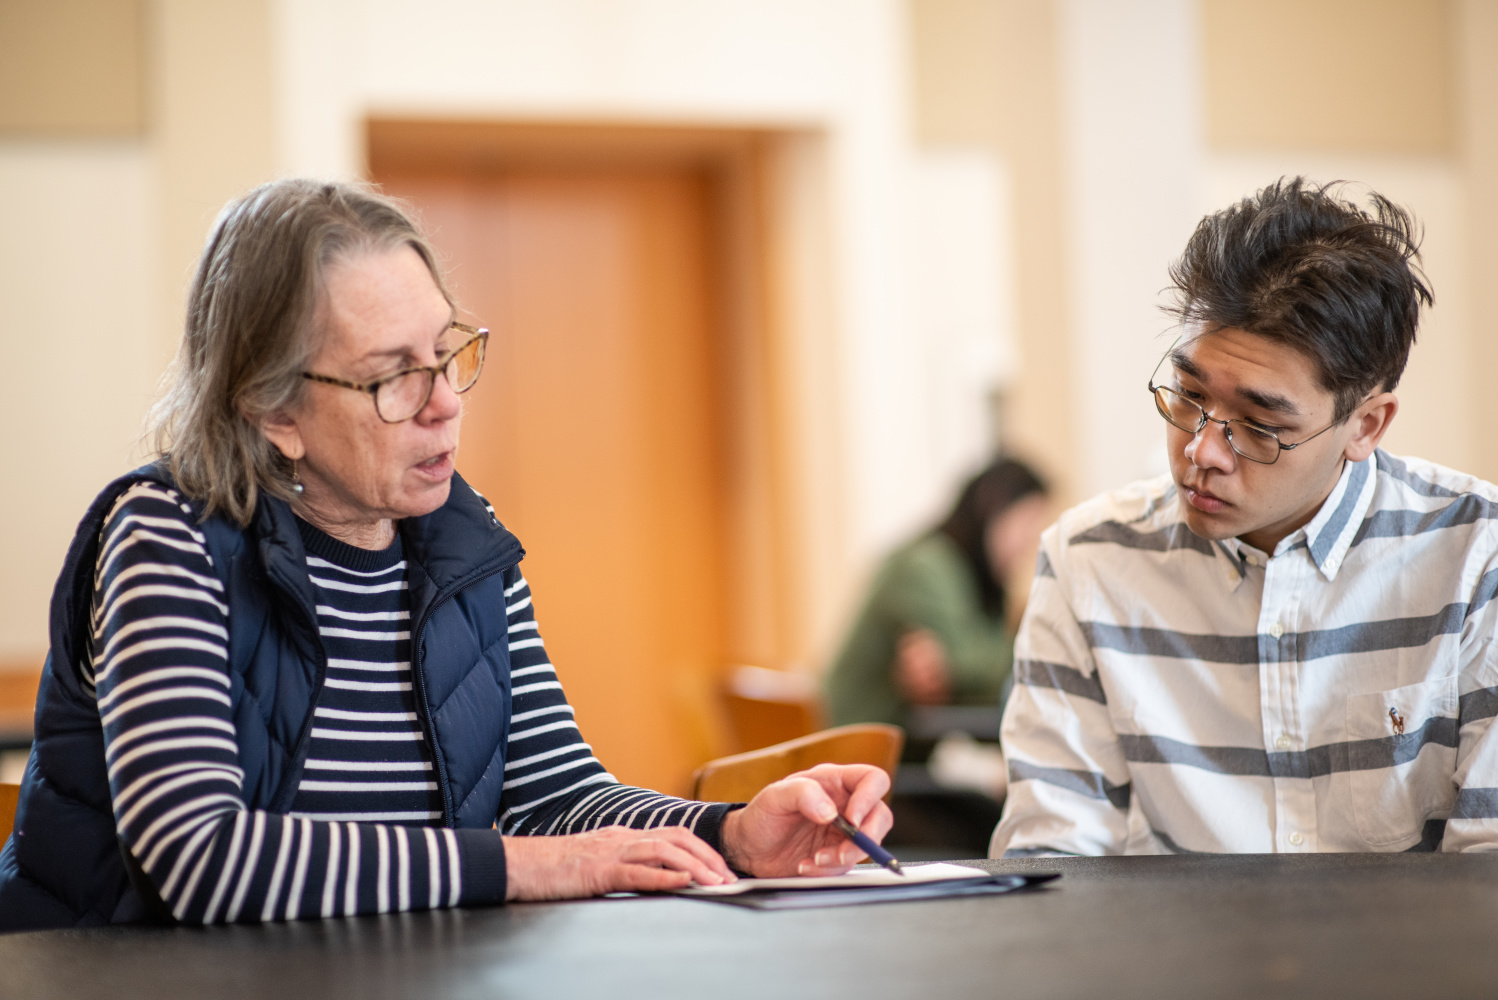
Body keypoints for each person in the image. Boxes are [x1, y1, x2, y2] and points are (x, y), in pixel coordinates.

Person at [0, 179, 892, 930]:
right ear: (274, 412)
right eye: (392, 376)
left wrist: (732, 834)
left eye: (447, 352)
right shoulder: (170, 534)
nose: (443, 405)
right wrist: (529, 868)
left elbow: (556, 798)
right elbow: (201, 857)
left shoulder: (460, 540)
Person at [992, 177, 1498, 858]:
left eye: (1260, 427)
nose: (1201, 451)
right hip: (1174, 964)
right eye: (1188, 395)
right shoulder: (1091, 562)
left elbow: (1485, 874)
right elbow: (1052, 858)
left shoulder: (1475, 556)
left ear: (1365, 425)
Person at [825, 458, 1050, 732]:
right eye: (1027, 522)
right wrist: (1029, 630)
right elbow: (971, 671)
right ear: (991, 507)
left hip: (903, 741)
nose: (1029, 543)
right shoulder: (926, 566)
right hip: (849, 744)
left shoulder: (973, 578)